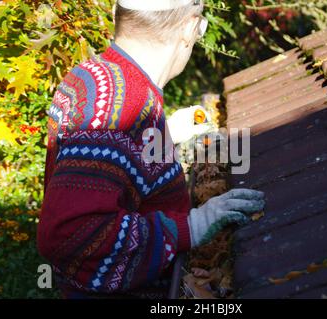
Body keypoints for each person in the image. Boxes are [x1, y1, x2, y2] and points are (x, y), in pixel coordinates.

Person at [37, 0, 265, 299]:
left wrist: (165, 133)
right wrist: (193, 227)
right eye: (201, 28)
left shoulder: (94, 73)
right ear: (188, 26)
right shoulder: (122, 107)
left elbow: (111, 164)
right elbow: (71, 234)